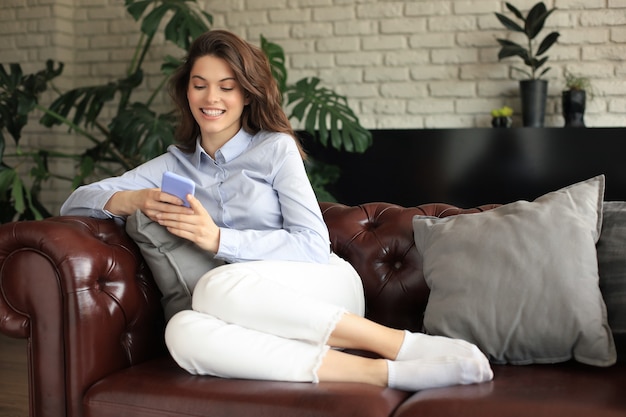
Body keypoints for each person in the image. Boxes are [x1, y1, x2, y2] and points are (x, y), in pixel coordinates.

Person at [60, 29, 493, 391]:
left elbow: (312, 244)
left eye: (227, 86)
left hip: (322, 286)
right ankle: (389, 374)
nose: (211, 97)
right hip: (250, 310)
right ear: (186, 90)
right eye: (200, 84)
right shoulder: (173, 163)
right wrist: (130, 199)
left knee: (211, 288)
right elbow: (74, 201)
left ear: (247, 95)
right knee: (182, 332)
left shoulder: (275, 149)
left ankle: (401, 345)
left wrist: (218, 240)